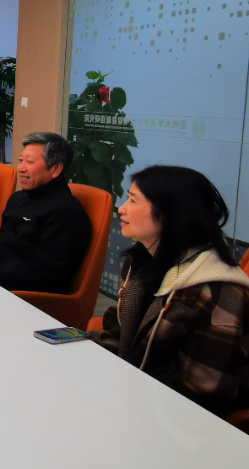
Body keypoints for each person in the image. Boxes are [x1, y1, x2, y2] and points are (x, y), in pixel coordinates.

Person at [91, 166, 249, 417]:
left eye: (133, 200)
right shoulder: (143, 261)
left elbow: (203, 396)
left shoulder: (218, 291)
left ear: (170, 213)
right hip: (133, 397)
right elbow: (120, 333)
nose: (121, 208)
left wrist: (118, 395)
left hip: (179, 420)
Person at [0, 131, 90, 293]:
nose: (21, 168)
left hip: (20, 294)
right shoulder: (19, 198)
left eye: (30, 162)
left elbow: (45, 272)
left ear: (56, 169)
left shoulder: (66, 211)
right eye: (21, 160)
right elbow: (0, 237)